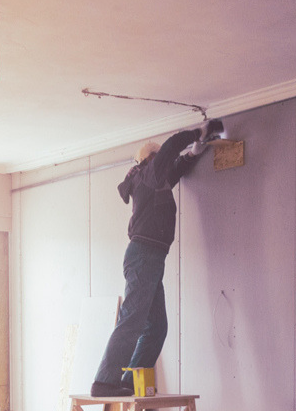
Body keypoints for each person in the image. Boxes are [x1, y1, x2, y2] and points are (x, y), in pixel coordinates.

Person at [90, 119, 224, 397]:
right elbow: (173, 148)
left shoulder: (153, 181)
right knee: (132, 320)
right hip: (143, 256)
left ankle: (128, 380)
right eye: (157, 157)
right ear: (149, 160)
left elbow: (176, 167)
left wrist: (195, 152)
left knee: (156, 327)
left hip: (150, 258)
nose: (162, 161)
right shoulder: (150, 174)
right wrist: (200, 131)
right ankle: (104, 381)